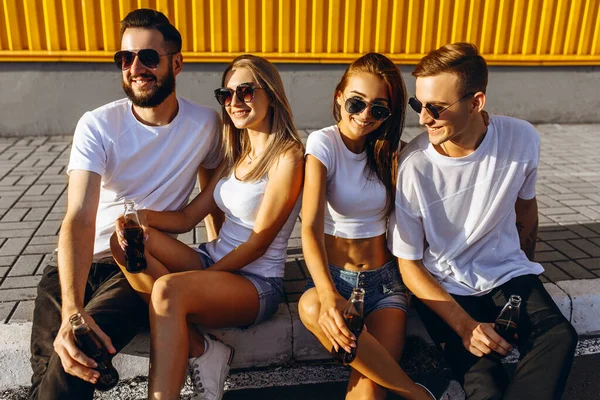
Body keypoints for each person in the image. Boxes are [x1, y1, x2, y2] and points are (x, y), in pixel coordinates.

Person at [28, 9, 223, 400]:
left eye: (148, 57)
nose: (135, 68)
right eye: (125, 58)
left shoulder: (206, 124)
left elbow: (215, 203)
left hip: (134, 264)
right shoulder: (98, 125)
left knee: (74, 361)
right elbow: (80, 218)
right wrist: (72, 308)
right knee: (53, 366)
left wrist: (217, 269)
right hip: (76, 265)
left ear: (177, 63)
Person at [389, 42, 578, 400]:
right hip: (446, 288)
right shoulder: (414, 166)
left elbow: (526, 208)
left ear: (476, 102)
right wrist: (464, 327)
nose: (423, 118)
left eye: (436, 108)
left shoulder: (521, 139)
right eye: (419, 105)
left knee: (558, 337)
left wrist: (525, 265)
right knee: (485, 385)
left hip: (506, 274)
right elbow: (409, 265)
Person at [111, 54, 304, 400]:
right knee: (124, 242)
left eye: (245, 91)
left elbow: (258, 244)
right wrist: (142, 218)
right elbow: (188, 218)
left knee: (168, 291)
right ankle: (204, 348)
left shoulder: (288, 157)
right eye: (226, 94)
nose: (234, 102)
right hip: (214, 262)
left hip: (256, 282)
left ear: (271, 94)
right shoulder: (237, 153)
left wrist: (208, 274)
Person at [298, 53, 435, 400]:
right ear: (340, 96)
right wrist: (329, 293)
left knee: (369, 387)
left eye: (378, 109)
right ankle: (418, 395)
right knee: (312, 305)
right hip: (336, 279)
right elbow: (310, 227)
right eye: (357, 103)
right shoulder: (323, 143)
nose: (364, 115)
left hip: (386, 284)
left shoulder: (392, 153)